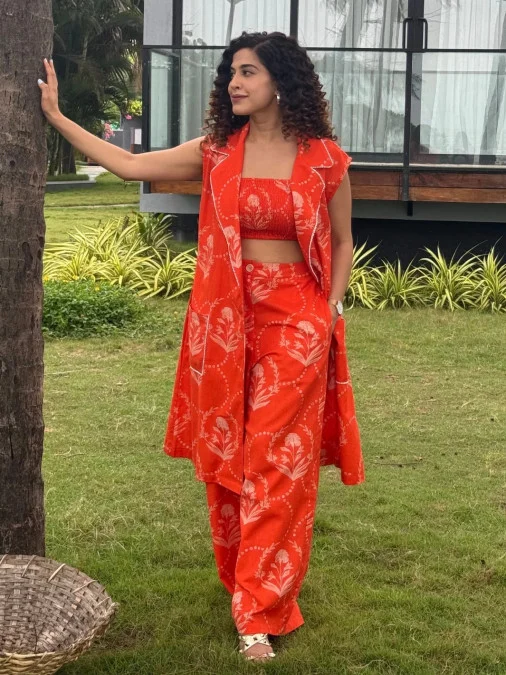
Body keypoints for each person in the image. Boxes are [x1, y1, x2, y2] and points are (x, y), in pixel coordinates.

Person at [39, 31, 365, 663]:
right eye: (231, 73)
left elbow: (343, 241)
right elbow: (130, 165)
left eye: (248, 72)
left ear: (281, 81)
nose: (233, 83)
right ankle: (245, 579)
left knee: (277, 458)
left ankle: (259, 612)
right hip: (226, 322)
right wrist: (57, 117)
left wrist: (330, 310)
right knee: (230, 455)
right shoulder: (216, 151)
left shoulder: (326, 159)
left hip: (296, 321)